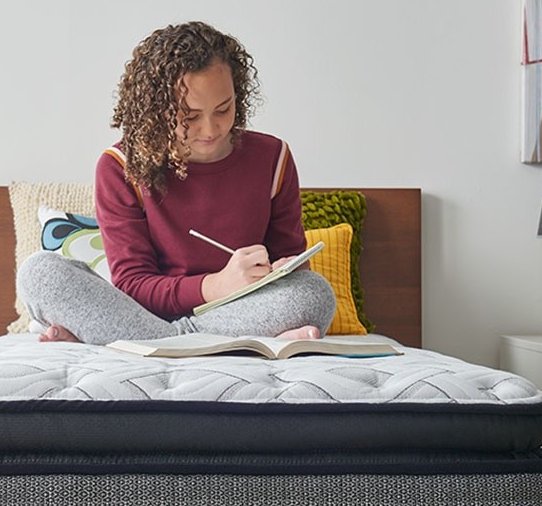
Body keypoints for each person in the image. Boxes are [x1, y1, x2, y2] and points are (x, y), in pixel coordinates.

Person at [17, 21, 335, 345]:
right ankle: (202, 342)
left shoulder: (273, 157)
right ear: (157, 110)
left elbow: (291, 263)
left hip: (232, 313)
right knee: (39, 274)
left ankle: (149, 343)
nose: (210, 129)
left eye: (223, 109)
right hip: (142, 314)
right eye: (190, 116)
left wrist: (281, 270)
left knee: (313, 293)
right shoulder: (120, 166)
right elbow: (133, 285)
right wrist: (216, 285)